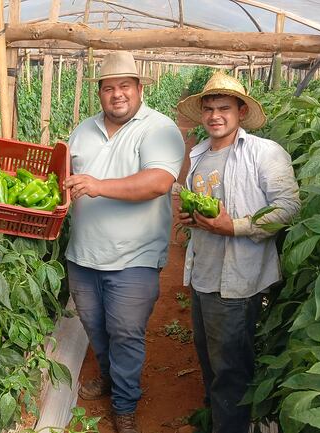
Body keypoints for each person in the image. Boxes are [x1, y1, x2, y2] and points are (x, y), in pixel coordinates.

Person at [64, 51, 186, 433]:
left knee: (126, 332)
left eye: (125, 86)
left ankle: (124, 403)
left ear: (138, 89)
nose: (117, 94)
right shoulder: (83, 130)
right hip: (83, 255)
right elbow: (65, 178)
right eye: (109, 88)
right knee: (95, 328)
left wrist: (98, 187)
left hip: (134, 258)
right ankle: (109, 376)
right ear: (99, 93)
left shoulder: (160, 128)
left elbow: (158, 182)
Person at [175, 72, 300, 433]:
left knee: (230, 368)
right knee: (210, 359)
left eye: (224, 108)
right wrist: (191, 217)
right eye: (210, 109)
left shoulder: (263, 153)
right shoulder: (199, 155)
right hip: (203, 276)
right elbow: (204, 208)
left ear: (241, 112)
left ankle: (229, 426)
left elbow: (289, 207)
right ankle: (217, 419)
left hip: (238, 281)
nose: (216, 116)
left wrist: (236, 226)